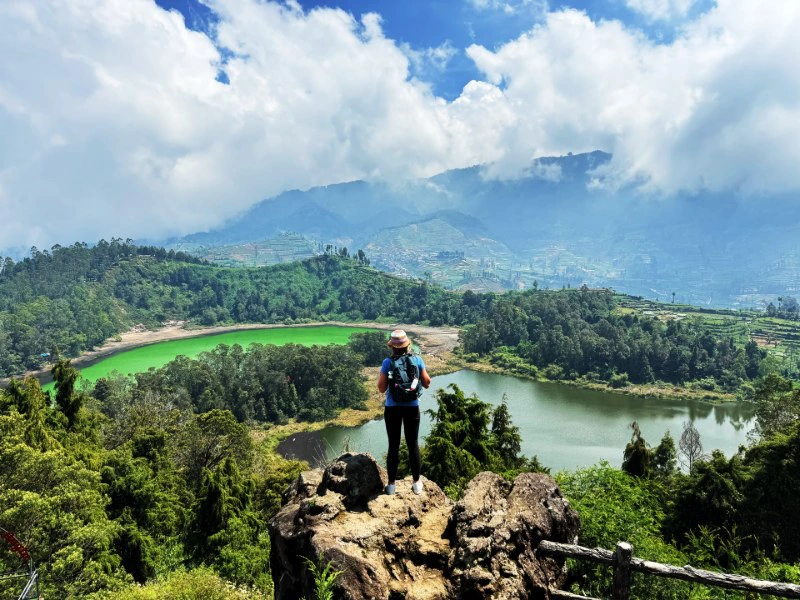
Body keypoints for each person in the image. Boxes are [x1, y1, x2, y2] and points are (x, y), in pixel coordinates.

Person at [377, 329, 431, 495]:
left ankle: (391, 485)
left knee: (393, 445)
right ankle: (416, 483)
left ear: (392, 347)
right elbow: (427, 382)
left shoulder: (388, 362)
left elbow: (381, 388)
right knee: (412, 444)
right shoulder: (417, 359)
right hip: (412, 407)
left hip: (392, 409)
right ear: (407, 345)